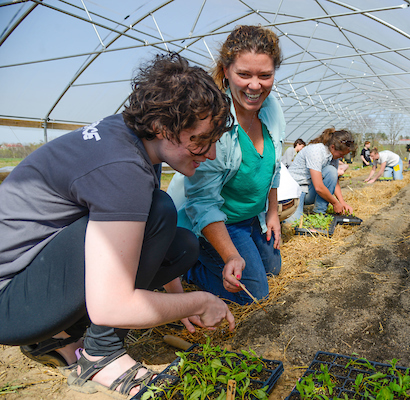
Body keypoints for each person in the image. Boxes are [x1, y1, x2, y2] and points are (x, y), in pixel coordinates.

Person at [0, 53, 235, 398]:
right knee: (160, 211)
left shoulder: (130, 138)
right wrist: (199, 302)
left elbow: (144, 242)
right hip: (10, 304)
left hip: (31, 280)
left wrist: (179, 303)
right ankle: (101, 355)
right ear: (161, 127)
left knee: (181, 245)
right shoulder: (122, 167)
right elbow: (110, 305)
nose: (210, 153)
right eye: (200, 140)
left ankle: (55, 338)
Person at [167, 25, 285, 305]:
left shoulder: (272, 110)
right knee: (254, 294)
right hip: (219, 221)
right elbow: (204, 203)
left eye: (265, 75)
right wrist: (231, 255)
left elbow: (273, 166)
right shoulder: (212, 123)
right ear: (226, 71)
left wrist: (272, 213)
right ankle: (190, 267)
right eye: (244, 74)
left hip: (251, 218)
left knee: (273, 269)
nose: (255, 86)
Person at [285, 128, 356, 223]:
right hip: (295, 189)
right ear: (332, 147)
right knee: (293, 224)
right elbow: (318, 187)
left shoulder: (333, 156)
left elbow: (334, 180)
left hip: (308, 189)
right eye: (341, 154)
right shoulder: (316, 151)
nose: (342, 157)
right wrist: (335, 203)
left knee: (331, 171)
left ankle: (319, 214)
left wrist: (342, 203)